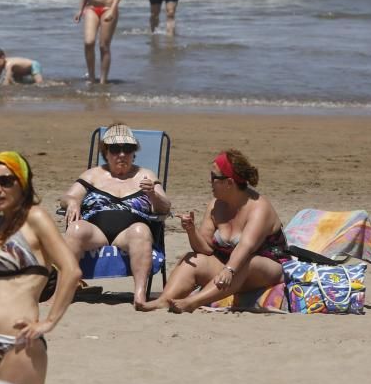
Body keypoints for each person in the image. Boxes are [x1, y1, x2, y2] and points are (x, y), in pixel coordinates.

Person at [0, 151, 80, 384]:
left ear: (22, 184)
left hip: (18, 342)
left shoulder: (35, 217)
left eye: (5, 181)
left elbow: (71, 270)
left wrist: (49, 322)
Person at [138, 149, 289, 313]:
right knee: (193, 259)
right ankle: (164, 300)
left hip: (267, 267)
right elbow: (205, 249)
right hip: (229, 267)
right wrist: (191, 230)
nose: (210, 182)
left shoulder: (259, 207)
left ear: (229, 183)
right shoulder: (216, 205)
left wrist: (229, 269)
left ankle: (193, 302)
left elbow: (246, 247)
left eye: (213, 177)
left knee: (247, 261)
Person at [59, 123, 171, 310]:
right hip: (95, 232)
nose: (121, 154)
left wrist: (153, 195)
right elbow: (68, 196)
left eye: (127, 149)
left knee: (140, 230)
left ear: (134, 152)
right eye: (115, 149)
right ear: (106, 152)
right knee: (76, 228)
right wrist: (72, 202)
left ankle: (140, 297)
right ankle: (62, 293)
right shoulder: (93, 174)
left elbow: (166, 207)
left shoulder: (145, 175)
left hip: (129, 234)